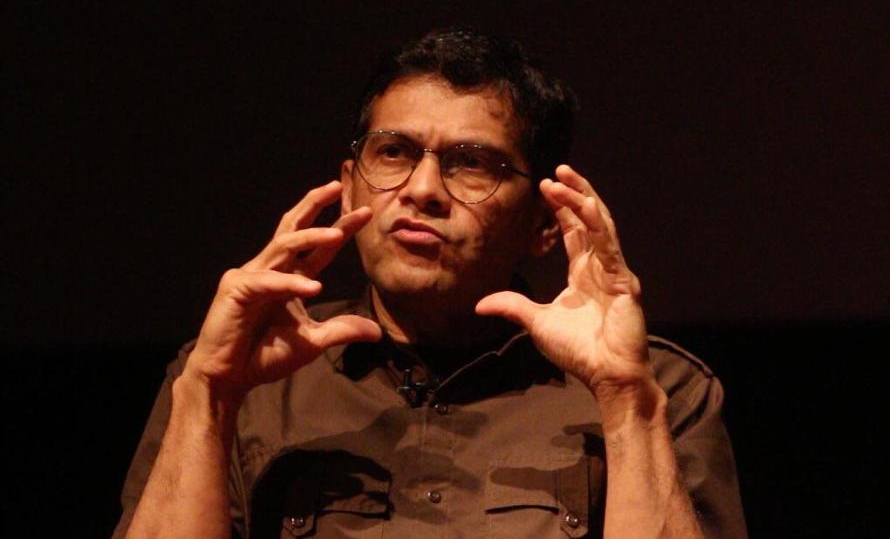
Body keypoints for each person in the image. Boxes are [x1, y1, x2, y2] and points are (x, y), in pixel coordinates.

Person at [113, 27, 747, 538]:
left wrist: (626, 400)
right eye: (394, 153)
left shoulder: (658, 389)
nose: (421, 190)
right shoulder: (240, 379)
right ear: (350, 185)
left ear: (543, 223)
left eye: (472, 164)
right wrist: (210, 394)